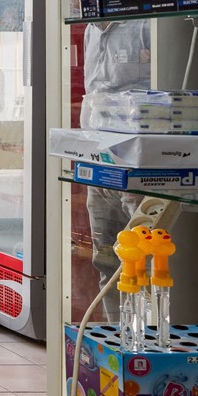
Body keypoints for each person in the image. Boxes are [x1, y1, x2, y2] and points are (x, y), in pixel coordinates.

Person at [82, 21, 151, 319]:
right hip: (97, 160)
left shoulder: (146, 25)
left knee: (142, 262)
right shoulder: (90, 30)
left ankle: (146, 347)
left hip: (137, 163)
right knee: (106, 260)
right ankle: (115, 343)